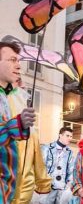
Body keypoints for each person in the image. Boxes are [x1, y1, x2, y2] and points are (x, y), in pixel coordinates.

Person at [0, 41, 36, 204]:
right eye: (12, 60)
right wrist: (16, 125)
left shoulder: (4, 97)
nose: (19, 65)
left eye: (18, 60)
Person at [8, 80, 51, 204]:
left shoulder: (31, 132)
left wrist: (43, 185)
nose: (23, 86)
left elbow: (38, 161)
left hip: (23, 191)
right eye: (17, 82)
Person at [41, 127, 74, 204]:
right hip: (48, 187)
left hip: (62, 188)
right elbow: (41, 167)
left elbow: (71, 170)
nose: (70, 138)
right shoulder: (47, 148)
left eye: (71, 136)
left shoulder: (70, 152)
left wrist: (68, 185)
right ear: (60, 135)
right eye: (67, 136)